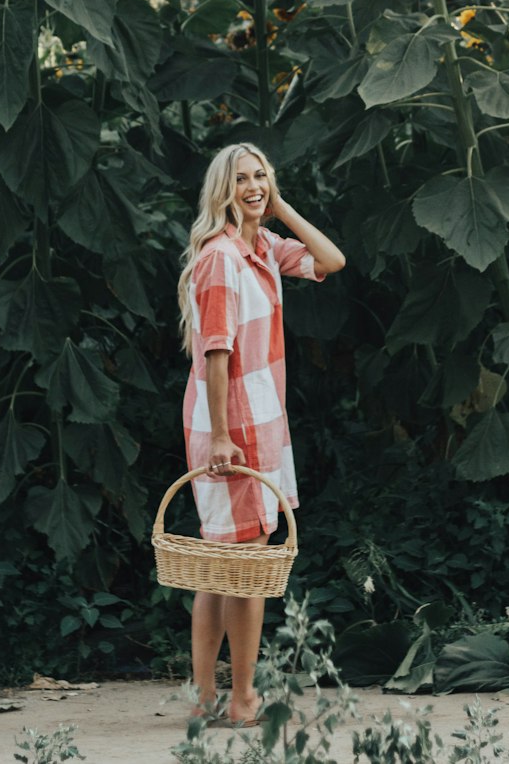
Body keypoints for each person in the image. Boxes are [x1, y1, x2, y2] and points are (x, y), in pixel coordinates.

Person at [178, 143, 345, 726]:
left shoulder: (262, 248)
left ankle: (205, 699)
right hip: (231, 425)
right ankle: (239, 697)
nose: (253, 186)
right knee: (242, 564)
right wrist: (222, 437)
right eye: (242, 179)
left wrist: (279, 208)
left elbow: (332, 260)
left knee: (225, 562)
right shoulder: (221, 258)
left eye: (262, 176)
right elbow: (216, 352)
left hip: (262, 418)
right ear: (222, 190)